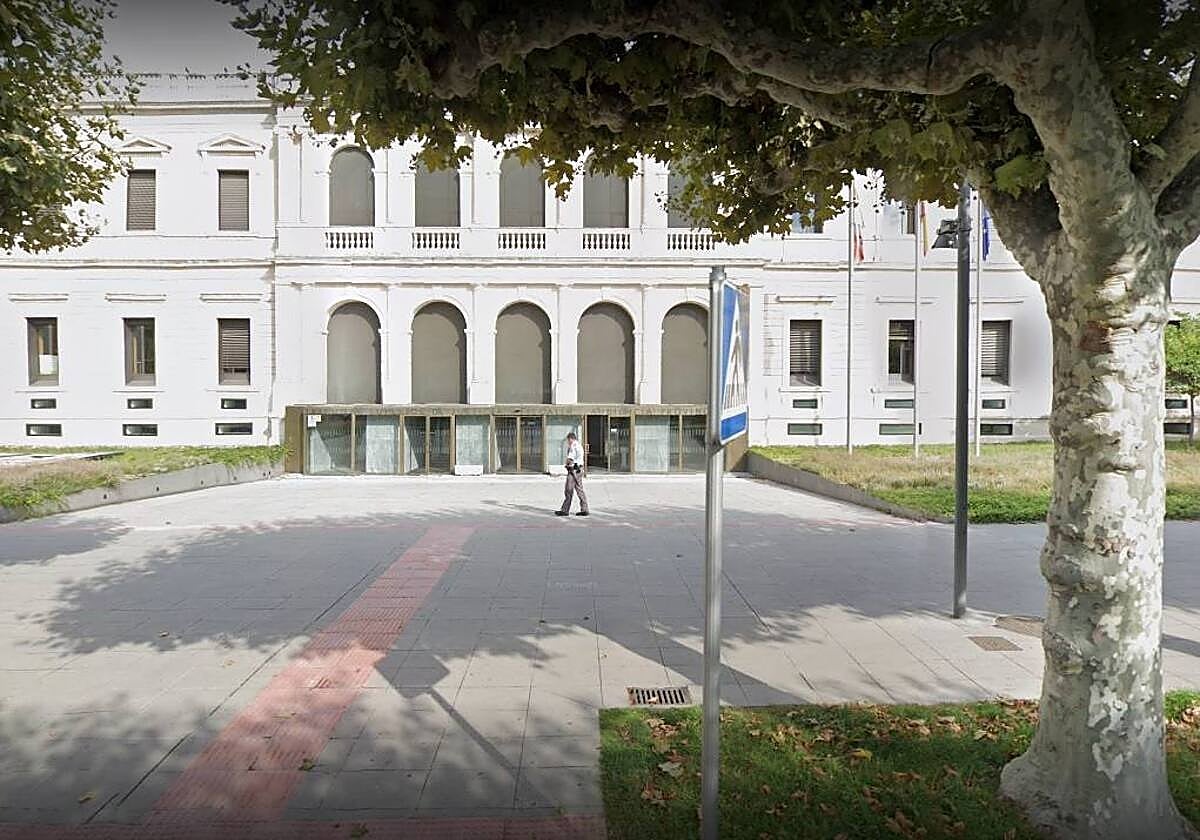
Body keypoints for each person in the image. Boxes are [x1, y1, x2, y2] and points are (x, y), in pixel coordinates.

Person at [555, 431, 589, 517]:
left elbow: (571, 458)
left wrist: (566, 464)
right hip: (579, 469)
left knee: (568, 490)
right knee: (579, 489)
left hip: (574, 470)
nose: (568, 442)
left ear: (571, 439)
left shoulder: (573, 446)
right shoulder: (579, 445)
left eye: (568, 440)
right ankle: (585, 509)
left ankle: (565, 510)